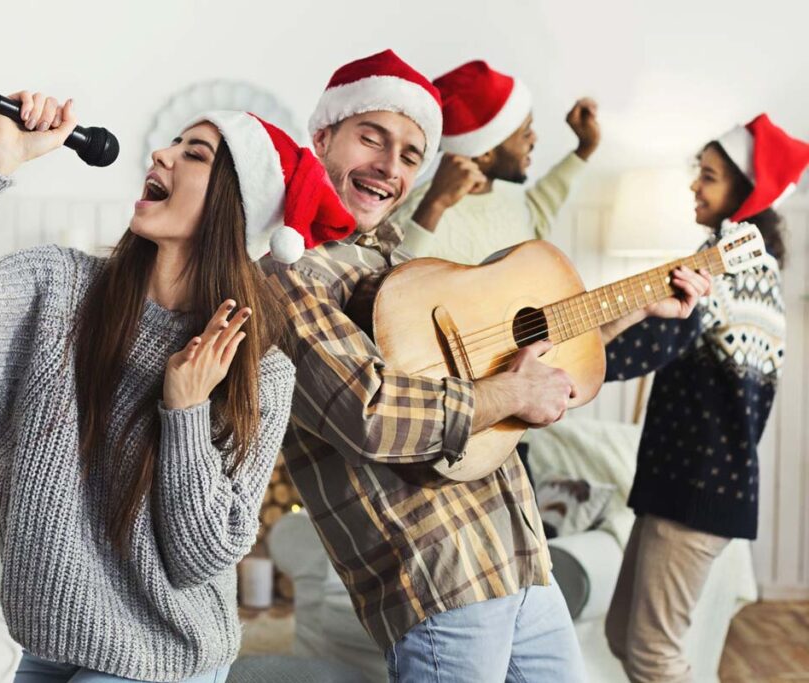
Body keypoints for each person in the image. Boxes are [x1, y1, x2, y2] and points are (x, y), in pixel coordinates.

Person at [260, 51, 709, 682]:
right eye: (372, 138)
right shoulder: (287, 277)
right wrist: (511, 391)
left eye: (411, 155)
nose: (390, 167)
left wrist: (634, 310)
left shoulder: (395, 264)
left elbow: (515, 365)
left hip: (521, 556)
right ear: (323, 135)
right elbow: (373, 415)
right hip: (439, 579)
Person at [0, 93, 355, 682]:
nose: (160, 153)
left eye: (195, 153)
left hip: (161, 653)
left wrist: (185, 410)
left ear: (236, 207)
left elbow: (200, 555)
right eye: (172, 143)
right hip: (49, 640)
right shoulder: (60, 290)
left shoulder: (258, 369)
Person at [601, 114, 808, 683]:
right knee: (624, 637)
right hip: (678, 482)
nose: (696, 185)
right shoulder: (738, 256)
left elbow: (652, 340)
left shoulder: (733, 261)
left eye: (710, 176)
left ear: (743, 192)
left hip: (697, 485)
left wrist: (571, 357)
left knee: (653, 656)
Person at [392, 59, 600, 265]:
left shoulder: (511, 199)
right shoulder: (418, 216)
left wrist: (585, 148)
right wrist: (434, 206)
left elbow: (539, 211)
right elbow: (397, 283)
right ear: (485, 154)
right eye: (525, 132)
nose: (534, 139)